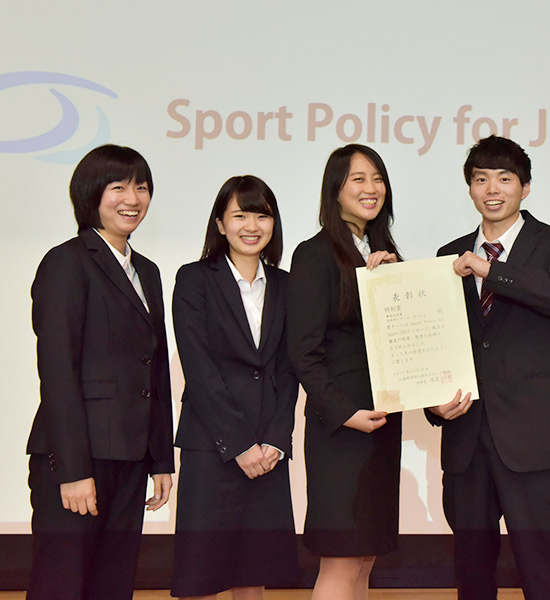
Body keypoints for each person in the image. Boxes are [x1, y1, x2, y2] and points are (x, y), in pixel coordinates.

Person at [427, 135, 550, 600]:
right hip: (466, 438)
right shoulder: (448, 253)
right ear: (470, 188)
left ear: (526, 187)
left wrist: (489, 270)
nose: (492, 189)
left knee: (547, 571)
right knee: (472, 574)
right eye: (481, 179)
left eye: (504, 178)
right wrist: (434, 408)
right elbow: (434, 343)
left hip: (534, 438)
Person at [26, 144, 174, 599]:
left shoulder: (146, 270)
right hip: (78, 458)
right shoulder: (67, 261)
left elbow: (157, 369)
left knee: (113, 585)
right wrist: (72, 469)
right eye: (119, 187)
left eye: (142, 187)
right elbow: (57, 371)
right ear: (92, 195)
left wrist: (161, 458)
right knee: (63, 585)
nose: (132, 198)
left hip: (129, 457)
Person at [170, 175, 300, 599]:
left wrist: (276, 440)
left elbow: (287, 369)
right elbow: (200, 368)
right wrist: (241, 445)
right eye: (239, 215)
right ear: (220, 224)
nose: (251, 225)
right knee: (203, 574)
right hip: (214, 446)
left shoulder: (285, 285)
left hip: (267, 450)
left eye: (261, 215)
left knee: (254, 570)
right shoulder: (194, 279)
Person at [287, 144, 402, 600]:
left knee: (364, 558)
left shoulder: (383, 251)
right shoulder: (314, 254)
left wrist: (390, 283)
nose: (371, 188)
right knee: (340, 559)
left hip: (380, 423)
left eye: (377, 178)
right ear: (335, 189)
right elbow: (303, 352)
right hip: (341, 428)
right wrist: (345, 412)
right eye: (358, 178)